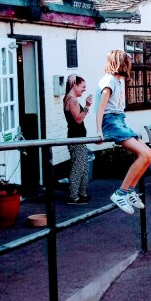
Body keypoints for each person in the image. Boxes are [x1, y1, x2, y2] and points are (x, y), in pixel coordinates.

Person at [96, 49, 151, 214]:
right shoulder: (108, 80)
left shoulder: (117, 80)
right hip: (111, 122)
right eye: (128, 62)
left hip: (120, 120)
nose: (131, 65)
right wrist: (99, 131)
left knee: (150, 154)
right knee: (143, 154)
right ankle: (120, 193)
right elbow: (101, 109)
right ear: (121, 64)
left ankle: (129, 190)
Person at [63, 74, 93, 205]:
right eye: (83, 87)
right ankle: (73, 197)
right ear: (74, 85)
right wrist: (87, 106)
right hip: (76, 139)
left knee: (83, 167)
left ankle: (81, 194)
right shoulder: (73, 100)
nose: (84, 89)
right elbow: (78, 119)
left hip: (77, 138)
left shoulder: (68, 97)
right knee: (78, 168)